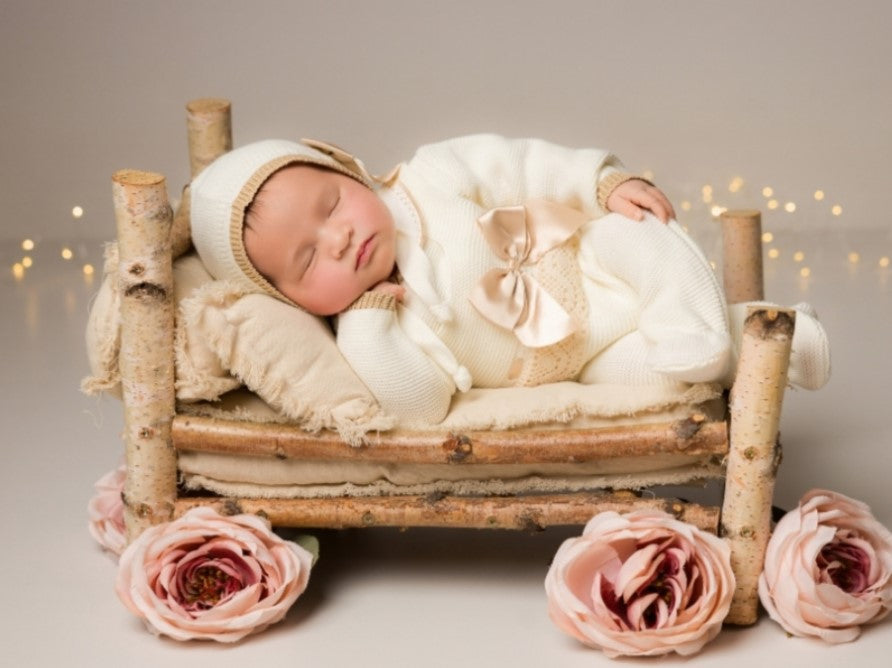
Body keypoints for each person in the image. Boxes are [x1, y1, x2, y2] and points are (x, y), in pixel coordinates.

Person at [191, 135, 828, 423]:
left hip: (589, 262)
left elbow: (520, 162)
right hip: (576, 360)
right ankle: (772, 342)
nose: (339, 239)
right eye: (307, 262)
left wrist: (599, 183)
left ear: (350, 173)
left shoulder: (428, 177)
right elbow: (420, 407)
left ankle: (694, 325)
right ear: (290, 301)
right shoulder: (375, 326)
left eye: (331, 206)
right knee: (657, 377)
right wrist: (367, 326)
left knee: (643, 238)